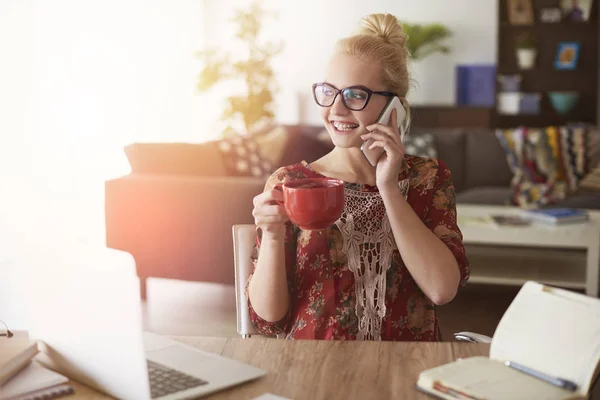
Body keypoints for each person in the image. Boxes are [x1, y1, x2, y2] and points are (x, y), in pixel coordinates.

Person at [247, 13, 469, 341]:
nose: (336, 109)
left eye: (355, 95)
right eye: (328, 91)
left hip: (407, 371)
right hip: (315, 373)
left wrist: (389, 188)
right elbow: (269, 316)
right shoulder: (290, 182)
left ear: (394, 107)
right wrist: (272, 233)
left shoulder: (428, 178)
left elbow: (441, 289)